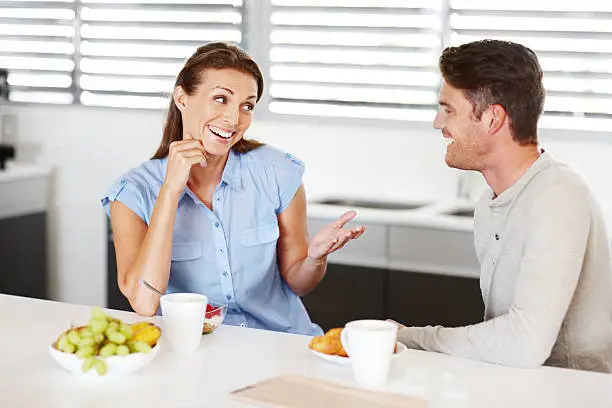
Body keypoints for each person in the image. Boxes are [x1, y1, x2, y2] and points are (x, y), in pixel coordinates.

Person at [101, 42, 365, 336]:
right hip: (196, 352)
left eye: (247, 105)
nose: (234, 119)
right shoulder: (132, 194)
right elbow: (145, 303)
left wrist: (315, 258)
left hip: (281, 344)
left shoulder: (277, 172)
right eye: (220, 99)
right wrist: (170, 191)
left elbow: (298, 282)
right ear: (182, 98)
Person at [395, 39, 612, 372]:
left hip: (573, 394)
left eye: (449, 110)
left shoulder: (558, 194)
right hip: (518, 385)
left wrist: (412, 338)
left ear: (493, 118)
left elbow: (524, 344)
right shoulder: (490, 205)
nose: (438, 123)